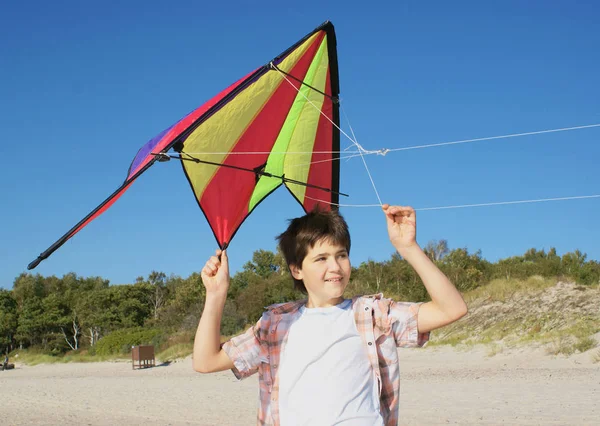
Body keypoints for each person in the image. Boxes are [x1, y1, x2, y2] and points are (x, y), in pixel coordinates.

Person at [193, 204, 468, 425]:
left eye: (342, 255)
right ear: (296, 269)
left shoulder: (372, 315)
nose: (335, 266)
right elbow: (206, 361)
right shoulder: (276, 324)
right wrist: (216, 295)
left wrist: (408, 247)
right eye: (321, 259)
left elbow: (451, 309)